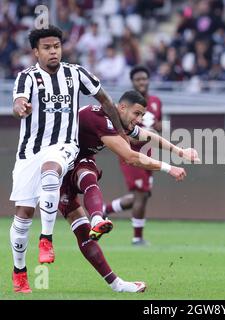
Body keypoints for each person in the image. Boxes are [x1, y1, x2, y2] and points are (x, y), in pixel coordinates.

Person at [10, 25, 127, 293]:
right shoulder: (26, 78)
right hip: (29, 152)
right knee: (23, 215)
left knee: (51, 171)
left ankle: (46, 239)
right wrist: (21, 108)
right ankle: (19, 272)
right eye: (47, 48)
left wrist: (122, 132)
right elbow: (18, 104)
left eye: (57, 47)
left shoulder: (75, 73)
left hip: (64, 146)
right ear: (35, 52)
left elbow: (105, 99)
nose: (53, 52)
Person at [53, 90, 198, 293]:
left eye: (142, 116)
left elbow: (148, 136)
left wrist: (180, 151)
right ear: (121, 108)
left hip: (75, 164)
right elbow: (131, 157)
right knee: (86, 176)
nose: (139, 120)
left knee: (85, 229)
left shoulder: (120, 122)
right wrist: (169, 168)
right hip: (55, 166)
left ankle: (117, 284)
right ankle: (96, 219)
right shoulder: (99, 118)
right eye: (136, 114)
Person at [103, 65, 164, 245]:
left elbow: (157, 124)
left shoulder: (156, 102)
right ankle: (137, 238)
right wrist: (143, 137)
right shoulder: (126, 105)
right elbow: (123, 131)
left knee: (143, 195)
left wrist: (158, 128)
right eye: (138, 79)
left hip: (149, 154)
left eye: (144, 78)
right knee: (141, 194)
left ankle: (102, 210)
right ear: (132, 82)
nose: (142, 82)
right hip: (131, 153)